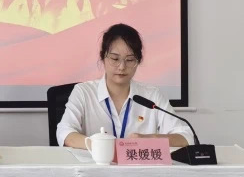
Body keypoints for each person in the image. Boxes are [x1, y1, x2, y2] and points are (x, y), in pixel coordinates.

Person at [56, 23, 192, 149]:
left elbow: (186, 137)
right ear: (103, 57)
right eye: (115, 59)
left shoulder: (152, 96)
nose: (122, 67)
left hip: (139, 167)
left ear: (138, 61)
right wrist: (100, 145)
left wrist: (150, 139)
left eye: (130, 60)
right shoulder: (84, 92)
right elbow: (64, 132)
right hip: (96, 166)